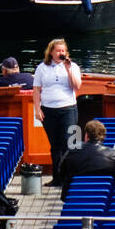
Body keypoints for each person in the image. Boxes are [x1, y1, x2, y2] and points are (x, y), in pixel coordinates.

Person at [33, 38, 82, 183]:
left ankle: (70, 177)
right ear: (51, 52)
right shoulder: (42, 67)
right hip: (48, 110)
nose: (61, 53)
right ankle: (57, 177)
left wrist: (68, 69)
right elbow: (36, 90)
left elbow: (77, 86)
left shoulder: (72, 66)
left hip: (68, 108)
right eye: (58, 51)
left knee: (69, 143)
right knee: (55, 145)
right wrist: (37, 109)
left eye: (63, 51)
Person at [57, 120, 115, 195]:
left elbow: (61, 171)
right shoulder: (113, 155)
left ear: (86, 135)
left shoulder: (72, 151)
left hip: (74, 197)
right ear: (104, 137)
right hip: (103, 197)